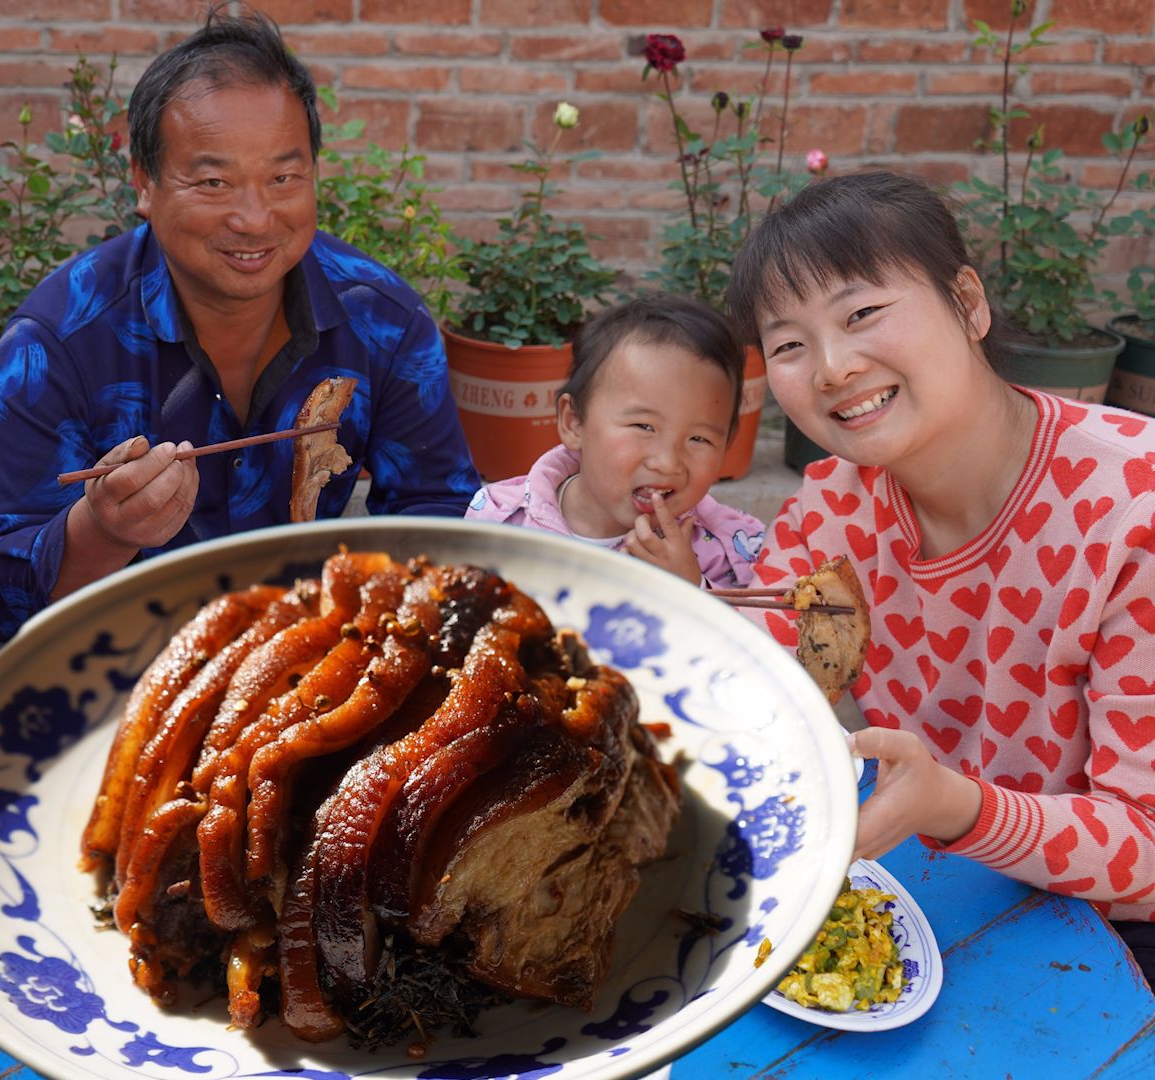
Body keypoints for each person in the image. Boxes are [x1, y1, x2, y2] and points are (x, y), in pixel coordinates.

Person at [730, 170, 1155, 981]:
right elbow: (758, 656)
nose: (830, 368)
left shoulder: (1135, 510)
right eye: (789, 344)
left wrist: (956, 805)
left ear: (967, 303)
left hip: (1111, 933)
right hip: (935, 884)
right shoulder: (836, 506)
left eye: (861, 315)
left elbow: (1147, 847)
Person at [0, 7, 481, 643]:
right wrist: (101, 535)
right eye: (214, 181)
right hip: (122, 668)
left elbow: (441, 517)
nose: (256, 218)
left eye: (284, 177)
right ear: (144, 183)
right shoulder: (58, 343)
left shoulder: (384, 322)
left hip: (317, 660)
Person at [465, 293, 766, 588]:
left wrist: (692, 587)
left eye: (698, 438)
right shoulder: (501, 522)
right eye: (644, 426)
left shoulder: (726, 549)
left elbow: (750, 633)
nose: (667, 462)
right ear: (574, 422)